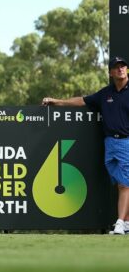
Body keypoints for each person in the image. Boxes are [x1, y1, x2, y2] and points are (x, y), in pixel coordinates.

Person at [42, 56, 129, 235]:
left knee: (124, 185)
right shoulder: (105, 94)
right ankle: (127, 222)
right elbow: (83, 100)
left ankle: (120, 222)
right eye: (116, 67)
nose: (120, 69)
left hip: (126, 142)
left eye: (123, 66)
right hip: (110, 143)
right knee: (122, 183)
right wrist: (58, 102)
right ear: (110, 72)